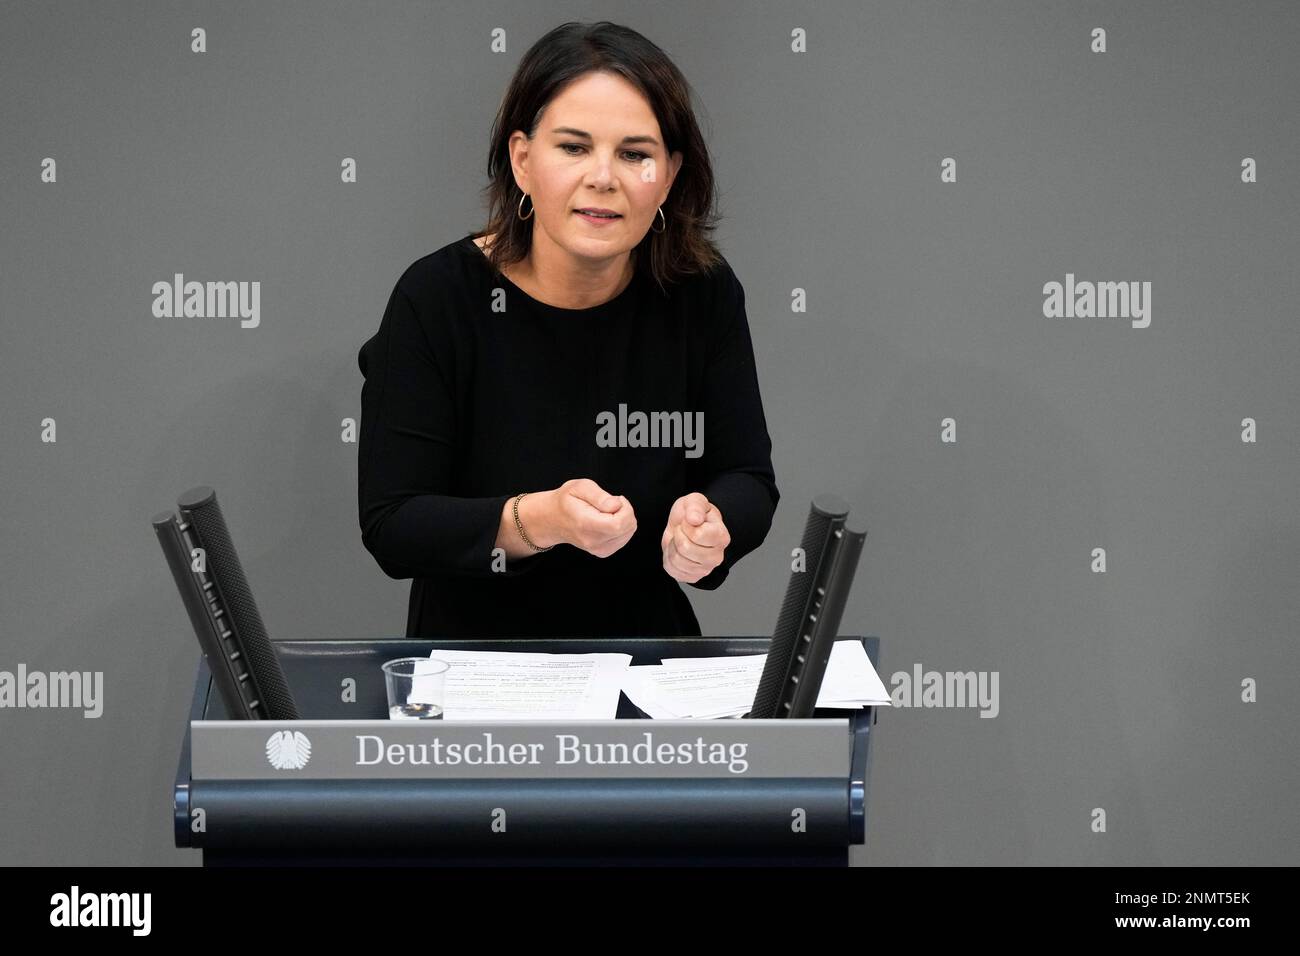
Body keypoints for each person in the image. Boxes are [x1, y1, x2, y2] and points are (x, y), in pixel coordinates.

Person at [357, 21, 779, 639]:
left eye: (635, 154)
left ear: (669, 174)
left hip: (646, 660)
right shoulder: (437, 298)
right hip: (474, 669)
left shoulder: (701, 293)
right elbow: (393, 524)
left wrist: (714, 526)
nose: (603, 177)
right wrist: (541, 519)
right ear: (523, 160)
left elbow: (748, 478)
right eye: (574, 147)